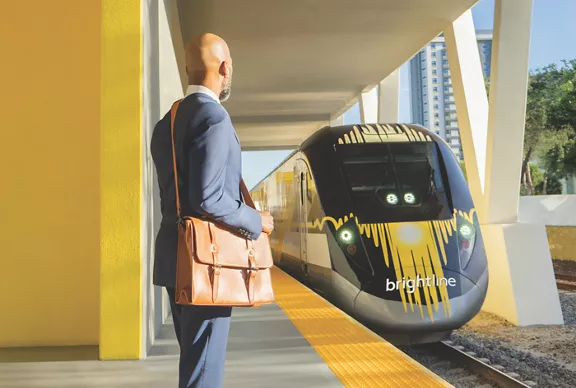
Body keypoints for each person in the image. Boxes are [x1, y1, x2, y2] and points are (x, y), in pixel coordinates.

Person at [150, 33, 274, 388]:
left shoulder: (166, 123)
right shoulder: (215, 119)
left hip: (175, 259)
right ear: (225, 68)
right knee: (204, 370)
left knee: (193, 359)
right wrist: (256, 221)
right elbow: (209, 199)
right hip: (207, 262)